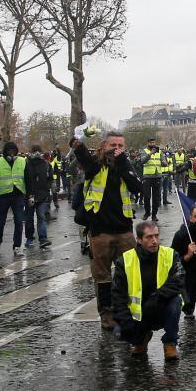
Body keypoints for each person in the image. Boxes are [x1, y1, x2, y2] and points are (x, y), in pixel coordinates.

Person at [71, 131, 143, 330]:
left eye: (121, 145)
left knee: (129, 274)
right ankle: (106, 314)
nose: (117, 149)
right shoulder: (96, 165)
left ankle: (125, 309)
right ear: (104, 146)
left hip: (124, 230)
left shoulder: (126, 165)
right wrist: (77, 145)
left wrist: (123, 165)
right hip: (100, 231)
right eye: (113, 145)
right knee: (102, 278)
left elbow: (137, 188)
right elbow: (85, 159)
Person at [111, 220, 185, 360]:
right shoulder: (125, 260)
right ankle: (140, 340)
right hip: (138, 313)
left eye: (156, 236)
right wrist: (125, 322)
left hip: (160, 306)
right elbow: (117, 295)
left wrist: (157, 298)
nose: (155, 241)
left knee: (175, 301)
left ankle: (170, 343)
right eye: (149, 237)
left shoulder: (170, 255)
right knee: (118, 333)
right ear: (139, 240)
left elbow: (178, 281)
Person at [0, 141, 27, 255]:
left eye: (14, 151)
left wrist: (30, 194)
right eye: (9, 151)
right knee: (0, 222)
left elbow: (28, 179)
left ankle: (17, 246)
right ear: (5, 152)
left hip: (18, 195)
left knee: (19, 221)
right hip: (3, 196)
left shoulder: (22, 161)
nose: (12, 154)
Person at [24, 144, 53, 249]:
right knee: (29, 218)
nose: (36, 154)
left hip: (41, 195)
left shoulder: (46, 165)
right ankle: (29, 238)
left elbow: (50, 178)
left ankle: (42, 238)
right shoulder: (27, 164)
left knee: (40, 217)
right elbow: (25, 180)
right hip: (30, 195)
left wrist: (47, 189)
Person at [138, 140, 165, 222]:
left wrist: (164, 162)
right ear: (148, 143)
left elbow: (163, 161)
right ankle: (147, 213)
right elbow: (142, 161)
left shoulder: (159, 152)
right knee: (146, 196)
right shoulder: (144, 151)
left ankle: (154, 215)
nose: (153, 144)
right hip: (147, 177)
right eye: (151, 143)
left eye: (154, 143)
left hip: (157, 177)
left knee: (156, 197)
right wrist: (150, 153)